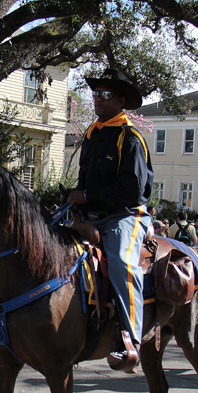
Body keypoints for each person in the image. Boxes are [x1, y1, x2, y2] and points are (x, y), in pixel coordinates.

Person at [66, 67, 152, 372]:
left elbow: (132, 190)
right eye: (96, 94)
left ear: (121, 100)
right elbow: (83, 181)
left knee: (119, 261)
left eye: (106, 95)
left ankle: (131, 339)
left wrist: (87, 196)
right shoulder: (93, 134)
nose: (98, 100)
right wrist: (74, 201)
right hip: (90, 215)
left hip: (126, 216)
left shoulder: (130, 138)